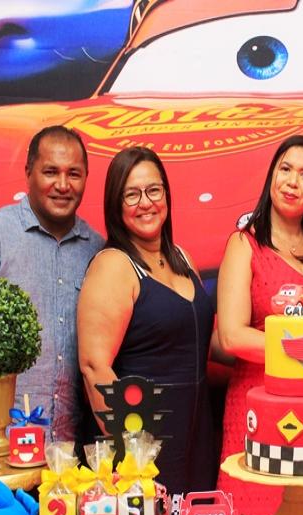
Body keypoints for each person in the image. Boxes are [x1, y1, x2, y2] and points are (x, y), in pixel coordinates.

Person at [216, 135, 303, 515]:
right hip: (258, 412)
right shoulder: (244, 245)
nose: (292, 182)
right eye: (285, 169)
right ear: (271, 177)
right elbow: (231, 335)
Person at [0, 125, 104, 442]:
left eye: (74, 174)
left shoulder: (97, 250)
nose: (63, 185)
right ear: (28, 172)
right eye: (50, 172)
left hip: (70, 452)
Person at [77, 147, 219, 495]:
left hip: (198, 437)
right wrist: (133, 456)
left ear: (166, 195)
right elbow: (94, 367)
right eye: (132, 194)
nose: (146, 203)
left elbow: (205, 342)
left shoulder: (181, 257)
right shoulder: (113, 265)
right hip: (144, 447)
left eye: (154, 190)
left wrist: (277, 338)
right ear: (116, 204)